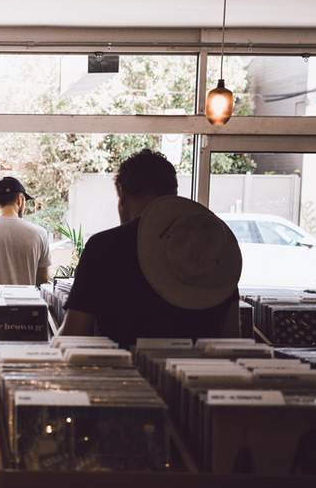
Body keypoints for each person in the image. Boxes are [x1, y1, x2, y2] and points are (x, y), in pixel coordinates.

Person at [60, 149, 242, 347]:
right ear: (174, 193)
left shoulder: (103, 247)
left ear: (121, 192)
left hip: (121, 374)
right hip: (206, 376)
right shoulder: (216, 245)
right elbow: (232, 338)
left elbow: (74, 334)